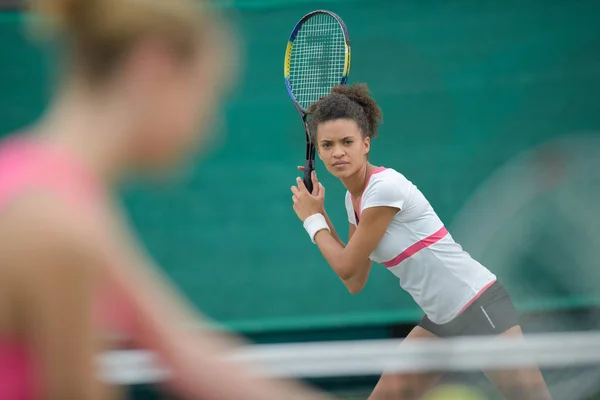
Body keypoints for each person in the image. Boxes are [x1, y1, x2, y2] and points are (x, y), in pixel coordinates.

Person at [0, 0, 331, 399]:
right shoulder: (58, 227)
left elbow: (185, 354)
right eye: (208, 95)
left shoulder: (60, 196)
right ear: (153, 66)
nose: (212, 125)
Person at [290, 83, 553, 400]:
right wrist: (320, 214)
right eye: (328, 144)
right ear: (318, 150)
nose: (338, 152)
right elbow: (355, 279)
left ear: (366, 144)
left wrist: (312, 220)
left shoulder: (384, 189)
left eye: (347, 142)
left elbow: (346, 267)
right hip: (441, 320)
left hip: (477, 305)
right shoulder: (352, 200)